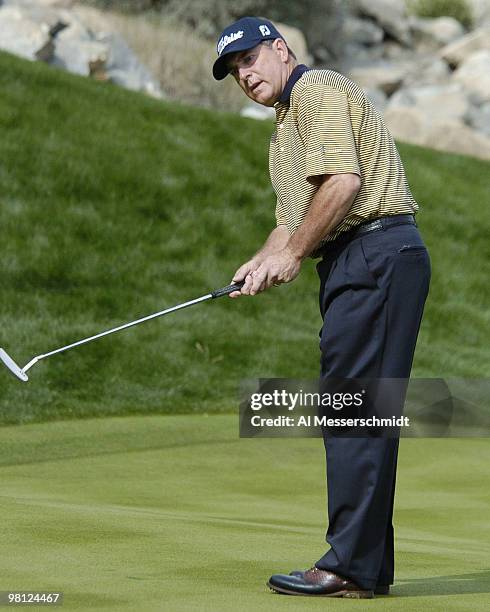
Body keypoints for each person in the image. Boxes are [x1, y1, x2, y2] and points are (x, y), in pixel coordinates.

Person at [213, 16, 431, 598]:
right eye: (235, 69)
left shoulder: (316, 91)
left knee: (353, 412)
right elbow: (291, 221)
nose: (244, 73)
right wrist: (261, 261)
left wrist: (294, 256)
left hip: (376, 250)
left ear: (281, 50)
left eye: (250, 58)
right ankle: (365, 569)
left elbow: (343, 182)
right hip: (358, 260)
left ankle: (348, 567)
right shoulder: (284, 128)